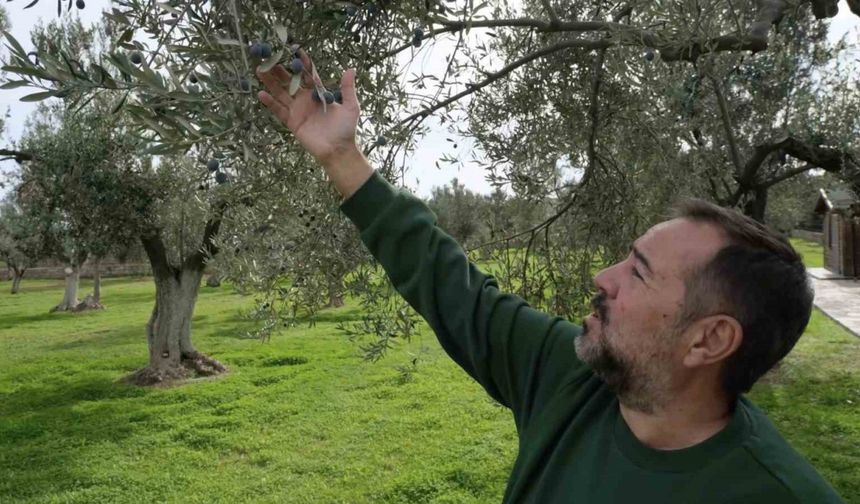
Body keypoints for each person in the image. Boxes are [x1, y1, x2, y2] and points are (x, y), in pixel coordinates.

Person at [255, 60, 846, 503]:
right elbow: (450, 286)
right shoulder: (568, 376)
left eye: (637, 271)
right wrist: (341, 157)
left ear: (708, 340)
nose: (602, 277)